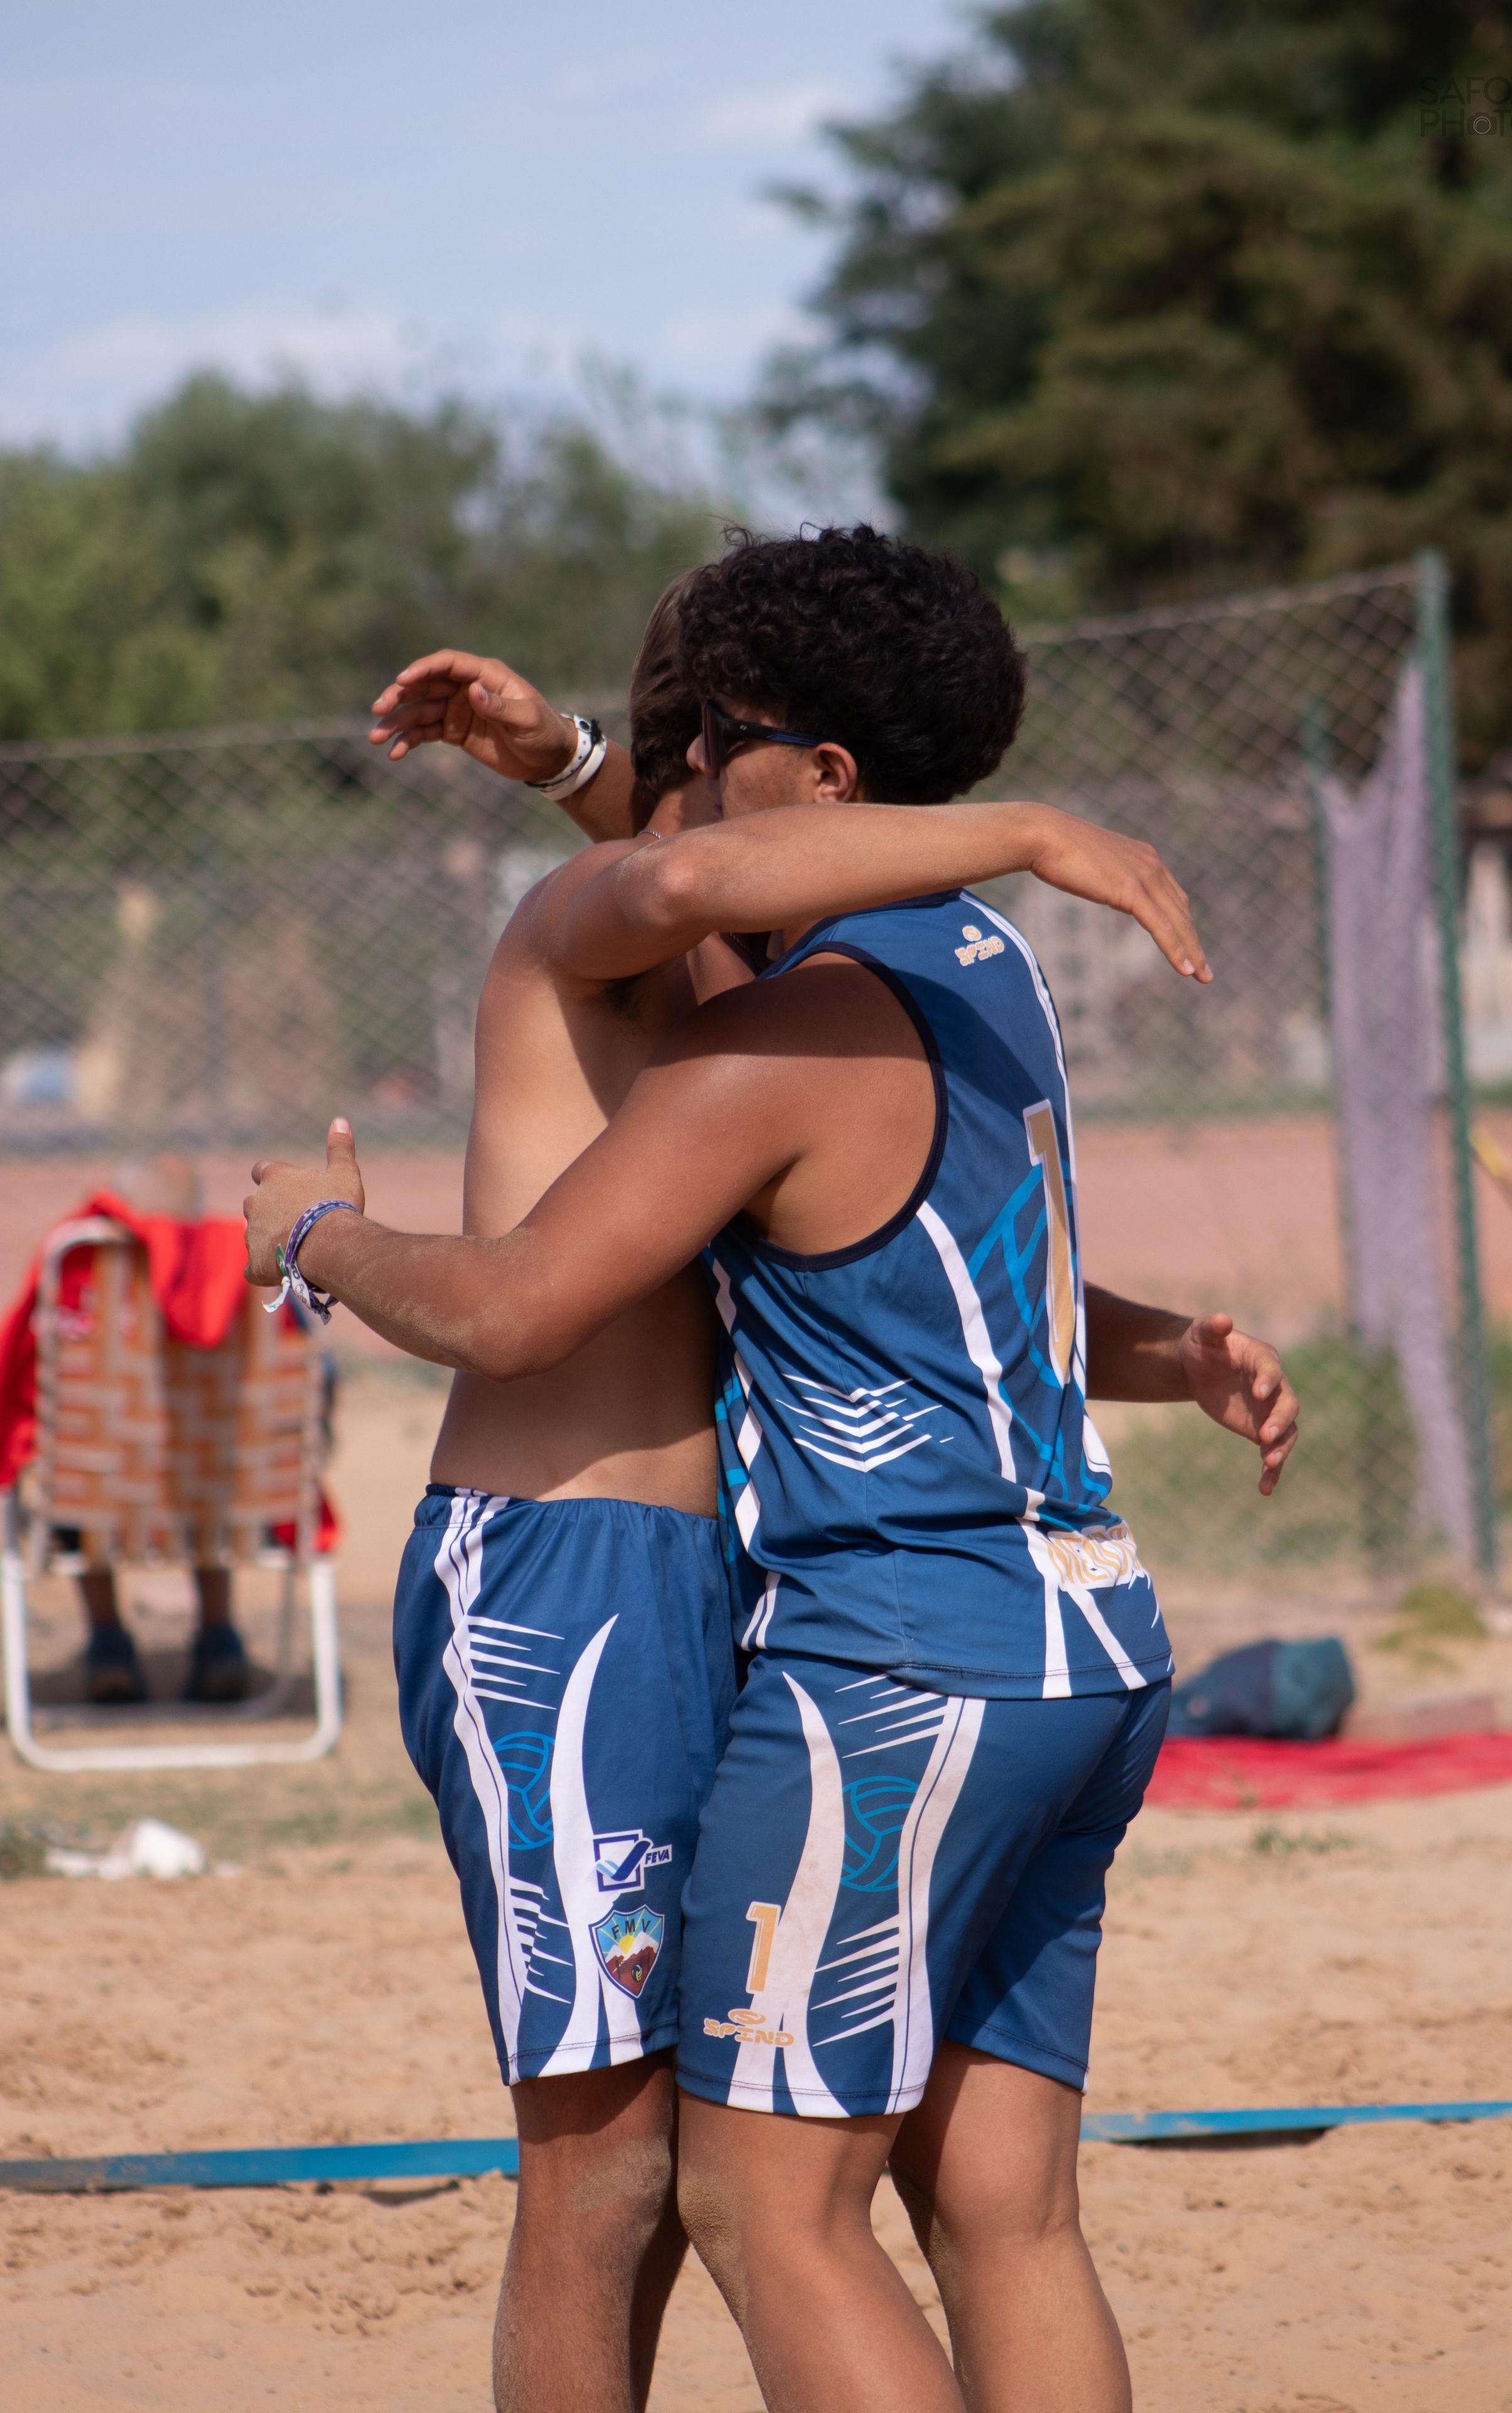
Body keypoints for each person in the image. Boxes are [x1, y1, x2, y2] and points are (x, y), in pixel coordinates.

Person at [267, 528, 1298, 2413]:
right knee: (662, 2174)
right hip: (627, 1592)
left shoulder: (787, 1006)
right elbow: (688, 874)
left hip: (858, 1641)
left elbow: (521, 1286)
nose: (666, 758)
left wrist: (316, 1237)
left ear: (819, 778)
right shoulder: (933, 964)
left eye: (698, 726)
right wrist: (589, 761)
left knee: (747, 2188)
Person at [70, 1154, 249, 1705]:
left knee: (80, 1460)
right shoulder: (241, 1285)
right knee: (210, 1453)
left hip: (102, 1499)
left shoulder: (75, 1281)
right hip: (228, 1498)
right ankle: (220, 1638)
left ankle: (108, 1645)